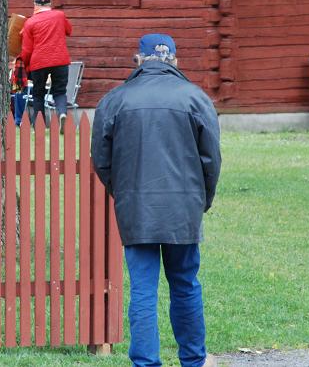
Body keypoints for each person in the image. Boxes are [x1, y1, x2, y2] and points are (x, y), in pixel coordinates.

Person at [91, 33, 222, 367]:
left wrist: (122, 192)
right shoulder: (195, 98)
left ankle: (146, 363)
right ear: (174, 60)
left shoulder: (115, 100)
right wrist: (201, 201)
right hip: (184, 206)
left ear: (139, 59)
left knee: (143, 289)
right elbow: (211, 160)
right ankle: (193, 360)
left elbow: (101, 160)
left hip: (135, 207)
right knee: (185, 284)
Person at [19, 0, 72, 132]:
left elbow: (27, 50)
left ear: (35, 4)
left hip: (39, 62)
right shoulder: (60, 15)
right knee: (60, 91)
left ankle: (39, 126)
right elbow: (69, 30)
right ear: (49, 4)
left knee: (38, 94)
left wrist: (26, 65)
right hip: (60, 60)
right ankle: (62, 113)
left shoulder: (29, 22)